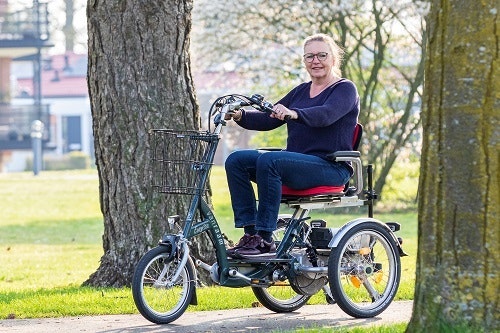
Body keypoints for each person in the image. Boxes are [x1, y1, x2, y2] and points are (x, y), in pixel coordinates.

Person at [224, 33, 360, 258]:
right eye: (310, 56)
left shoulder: (345, 89)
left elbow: (326, 115)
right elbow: (270, 118)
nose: (315, 61)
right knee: (236, 160)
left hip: (331, 167)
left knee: (270, 160)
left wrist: (295, 113)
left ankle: (265, 239)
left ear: (334, 59)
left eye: (322, 55)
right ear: (304, 61)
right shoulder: (300, 91)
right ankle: (251, 236)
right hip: (299, 164)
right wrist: (240, 115)